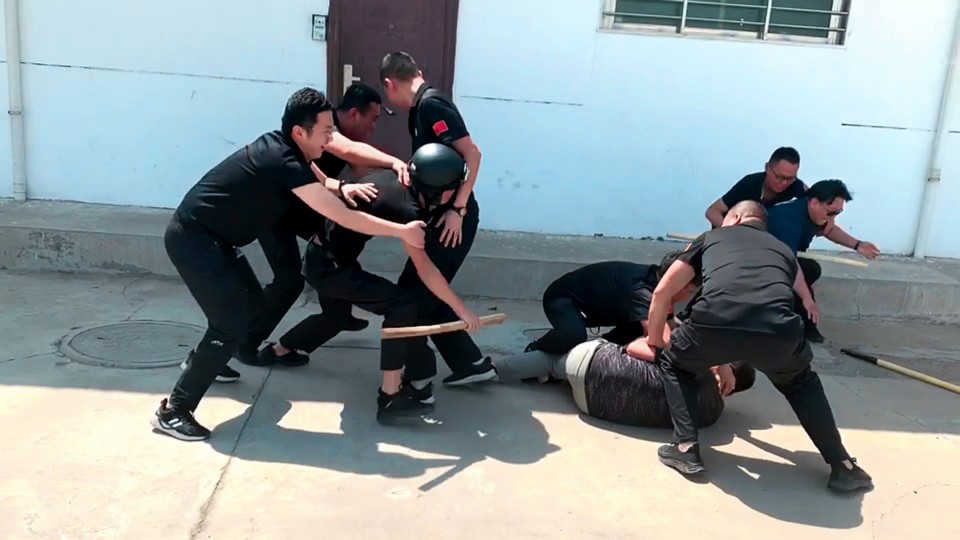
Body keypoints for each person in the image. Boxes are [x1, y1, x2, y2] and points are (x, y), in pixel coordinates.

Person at [152, 88, 427, 441]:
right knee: (229, 326)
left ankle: (203, 360)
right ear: (300, 132)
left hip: (217, 242)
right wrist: (401, 230)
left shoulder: (285, 148)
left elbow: (313, 174)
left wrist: (338, 185)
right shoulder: (282, 161)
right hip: (195, 243)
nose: (330, 139)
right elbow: (342, 217)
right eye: (326, 132)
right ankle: (174, 410)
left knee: (252, 309)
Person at [646, 200, 874, 493]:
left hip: (715, 324)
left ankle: (686, 448)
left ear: (735, 218)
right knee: (801, 384)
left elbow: (662, 292)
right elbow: (790, 289)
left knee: (676, 364)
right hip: (778, 331)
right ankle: (843, 465)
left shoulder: (711, 237)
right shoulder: (782, 249)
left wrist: (655, 340)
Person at [256, 145, 488, 420]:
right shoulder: (407, 210)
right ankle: (390, 396)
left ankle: (278, 351)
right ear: (434, 191)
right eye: (454, 187)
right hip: (330, 269)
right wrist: (461, 309)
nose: (459, 193)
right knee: (404, 305)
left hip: (323, 258)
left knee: (336, 316)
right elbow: (426, 270)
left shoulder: (397, 178)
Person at [231, 83, 412, 371]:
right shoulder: (326, 129)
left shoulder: (334, 134)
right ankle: (246, 342)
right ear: (354, 114)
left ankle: (337, 313)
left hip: (302, 207)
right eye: (373, 118)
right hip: (273, 214)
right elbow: (349, 150)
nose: (374, 127)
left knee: (335, 251)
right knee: (289, 281)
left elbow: (353, 168)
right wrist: (396, 163)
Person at [379, 52, 496, 385]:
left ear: (390, 83)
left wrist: (458, 209)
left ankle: (419, 380)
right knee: (425, 292)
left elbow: (473, 154)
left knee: (413, 297)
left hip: (452, 219)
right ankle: (471, 364)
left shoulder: (432, 105)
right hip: (441, 214)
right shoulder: (421, 108)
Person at [494, 335, 757, 429]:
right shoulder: (712, 415)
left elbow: (635, 347)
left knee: (553, 360)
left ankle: (491, 369)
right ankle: (556, 377)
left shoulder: (694, 363)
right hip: (595, 407)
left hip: (591, 365)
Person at [766, 179, 879, 343]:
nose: (832, 218)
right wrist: (807, 299)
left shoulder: (815, 213)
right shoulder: (786, 219)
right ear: (814, 203)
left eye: (837, 213)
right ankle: (804, 326)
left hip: (785, 258)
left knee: (811, 269)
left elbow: (828, 230)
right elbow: (790, 263)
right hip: (762, 263)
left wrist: (857, 245)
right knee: (801, 280)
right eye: (831, 213)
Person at [524, 257, 695, 355]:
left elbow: (669, 327)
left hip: (597, 307)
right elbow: (658, 340)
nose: (689, 296)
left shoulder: (658, 283)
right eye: (690, 290)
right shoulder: (641, 292)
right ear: (677, 283)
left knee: (637, 327)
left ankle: (599, 350)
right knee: (573, 336)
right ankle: (535, 349)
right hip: (562, 299)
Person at [704, 147, 808, 228]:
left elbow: (814, 203)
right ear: (767, 168)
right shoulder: (749, 184)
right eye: (779, 177)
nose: (784, 183)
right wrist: (731, 232)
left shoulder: (796, 187)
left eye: (790, 178)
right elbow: (712, 212)